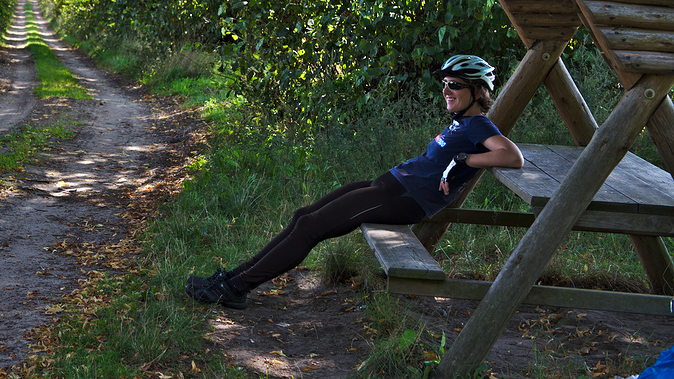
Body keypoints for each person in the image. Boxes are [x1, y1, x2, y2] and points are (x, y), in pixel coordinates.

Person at [185, 54, 524, 310]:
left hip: (408, 198)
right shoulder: (460, 122)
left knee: (311, 227)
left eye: (456, 85)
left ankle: (236, 289)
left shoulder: (478, 123)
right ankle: (230, 278)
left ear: (478, 91)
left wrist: (466, 159)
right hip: (393, 183)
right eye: (445, 83)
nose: (447, 90)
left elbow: (512, 156)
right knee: (304, 215)